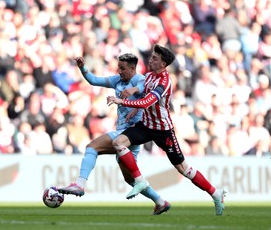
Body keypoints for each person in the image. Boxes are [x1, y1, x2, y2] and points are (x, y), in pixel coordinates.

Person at [107, 44, 226, 215]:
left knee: (183, 169)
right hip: (146, 125)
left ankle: (216, 193)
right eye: (152, 56)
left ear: (163, 64)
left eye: (155, 58)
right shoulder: (148, 76)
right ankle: (140, 180)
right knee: (118, 143)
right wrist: (135, 101)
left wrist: (123, 102)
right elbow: (142, 94)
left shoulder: (164, 82)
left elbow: (147, 102)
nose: (151, 60)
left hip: (163, 131)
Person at [58, 54, 171, 215]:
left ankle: (79, 184)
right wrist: (82, 68)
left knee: (92, 147)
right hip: (128, 137)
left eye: (123, 68)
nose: (119, 71)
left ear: (133, 68)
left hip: (130, 133)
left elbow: (141, 89)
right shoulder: (117, 81)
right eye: (119, 67)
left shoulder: (140, 79)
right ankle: (160, 202)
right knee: (130, 179)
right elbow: (93, 80)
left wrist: (134, 93)